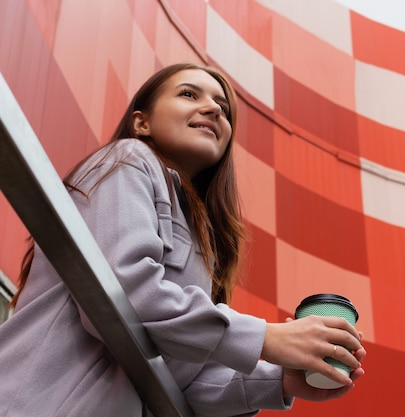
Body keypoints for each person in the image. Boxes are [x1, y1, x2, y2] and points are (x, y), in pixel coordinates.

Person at [0, 63, 366, 417]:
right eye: (189, 94)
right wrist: (267, 338)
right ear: (141, 122)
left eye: (222, 108)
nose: (212, 109)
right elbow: (122, 296)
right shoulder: (129, 159)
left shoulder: (203, 240)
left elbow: (183, 378)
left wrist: (281, 380)